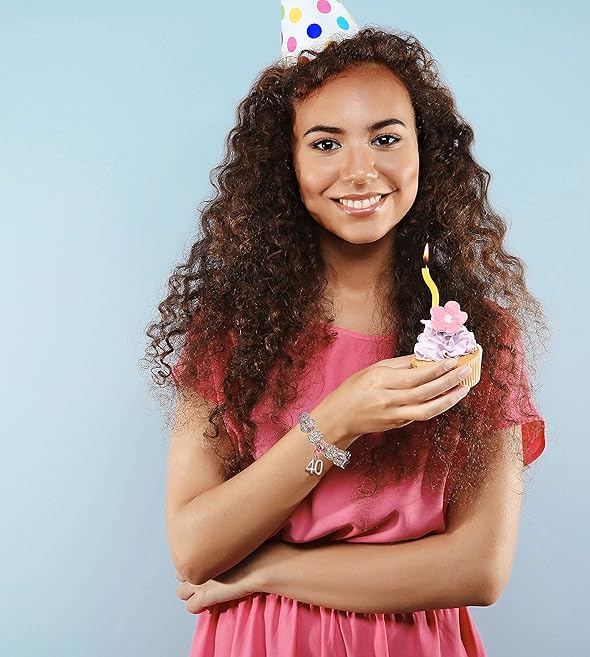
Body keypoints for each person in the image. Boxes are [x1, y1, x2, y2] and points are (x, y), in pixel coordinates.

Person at [144, 4, 548, 655]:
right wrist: (338, 418)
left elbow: (478, 568)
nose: (359, 170)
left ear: (427, 150)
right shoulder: (229, 331)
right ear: (286, 162)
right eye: (325, 142)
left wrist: (269, 569)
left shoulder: (483, 339)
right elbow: (195, 547)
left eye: (385, 137)